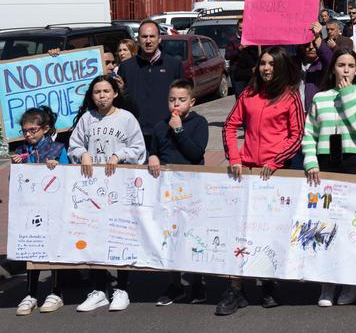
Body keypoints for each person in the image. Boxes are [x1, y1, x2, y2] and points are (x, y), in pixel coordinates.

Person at [217, 46, 305, 316]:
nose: (266, 68)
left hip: (274, 176)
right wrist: (235, 158)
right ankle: (235, 290)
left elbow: (296, 135)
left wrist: (275, 161)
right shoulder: (249, 93)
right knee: (239, 230)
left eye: (271, 64)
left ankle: (267, 283)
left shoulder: (290, 97)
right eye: (263, 63)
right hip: (245, 174)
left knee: (267, 231)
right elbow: (230, 126)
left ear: (280, 67)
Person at [303, 48, 356, 307]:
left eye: (350, 66)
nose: (345, 70)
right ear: (332, 68)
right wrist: (311, 160)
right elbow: (309, 133)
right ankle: (327, 282)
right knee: (325, 224)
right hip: (325, 164)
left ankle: (350, 281)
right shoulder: (320, 98)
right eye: (341, 64)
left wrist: (346, 96)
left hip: (354, 162)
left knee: (351, 225)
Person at [69, 76, 146, 313]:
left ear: (114, 93)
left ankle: (122, 287)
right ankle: (99, 289)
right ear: (91, 96)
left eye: (106, 91)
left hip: (118, 186)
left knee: (119, 234)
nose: (101, 96)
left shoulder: (126, 118)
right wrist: (82, 153)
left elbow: (139, 148)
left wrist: (120, 155)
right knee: (94, 235)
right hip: (93, 188)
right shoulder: (86, 119)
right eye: (97, 92)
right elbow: (74, 145)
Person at [148, 80, 210, 306]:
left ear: (192, 102)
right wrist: (152, 156)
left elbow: (195, 154)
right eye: (172, 99)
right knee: (170, 236)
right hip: (167, 190)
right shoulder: (159, 126)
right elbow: (155, 150)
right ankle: (175, 284)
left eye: (182, 100)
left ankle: (197, 282)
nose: (176, 103)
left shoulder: (199, 123)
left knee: (192, 235)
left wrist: (179, 130)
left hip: (192, 188)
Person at [11, 107, 68, 316]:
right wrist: (17, 166)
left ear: (45, 129)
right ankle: (30, 293)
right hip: (30, 210)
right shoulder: (20, 151)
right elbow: (15, 183)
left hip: (54, 209)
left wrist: (58, 166)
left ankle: (56, 291)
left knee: (54, 249)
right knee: (30, 250)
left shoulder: (58, 149)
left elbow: (68, 176)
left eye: (32, 130)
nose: (27, 134)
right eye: (24, 131)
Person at [118, 19, 183, 144]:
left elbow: (182, 99)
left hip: (166, 132)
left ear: (159, 39)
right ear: (138, 39)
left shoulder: (174, 64)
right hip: (135, 134)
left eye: (152, 36)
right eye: (144, 37)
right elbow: (120, 102)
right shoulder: (126, 67)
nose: (148, 41)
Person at [226, 19, 258, 97]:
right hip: (236, 71)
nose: (242, 30)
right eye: (240, 28)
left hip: (249, 71)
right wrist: (239, 49)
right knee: (239, 95)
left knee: (250, 95)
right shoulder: (232, 39)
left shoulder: (251, 38)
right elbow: (227, 56)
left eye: (244, 28)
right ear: (237, 28)